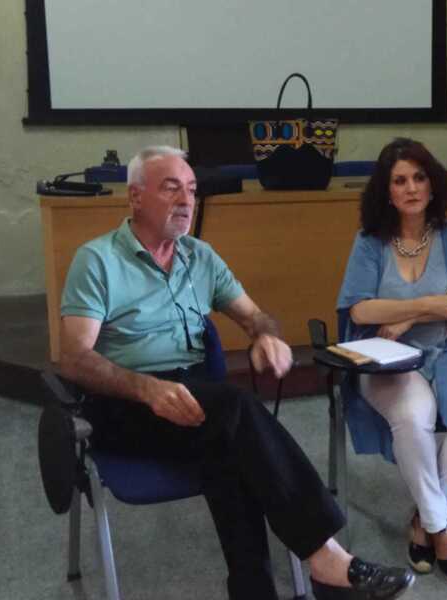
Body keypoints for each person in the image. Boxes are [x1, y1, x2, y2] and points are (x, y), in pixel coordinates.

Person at [58, 146, 414, 600]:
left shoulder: (200, 256)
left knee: (231, 450)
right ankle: (326, 558)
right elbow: (75, 358)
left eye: (192, 190)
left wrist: (265, 336)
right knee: (236, 412)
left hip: (196, 400)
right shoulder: (98, 260)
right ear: (135, 197)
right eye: (171, 189)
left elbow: (255, 316)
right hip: (125, 401)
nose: (186, 201)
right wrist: (147, 389)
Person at [336, 138, 447, 586]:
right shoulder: (370, 242)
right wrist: (433, 304)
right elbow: (361, 310)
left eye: (419, 178)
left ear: (433, 185)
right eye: (400, 181)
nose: (411, 188)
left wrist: (414, 314)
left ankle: (424, 519)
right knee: (414, 419)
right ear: (386, 190)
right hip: (390, 356)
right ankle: (440, 530)